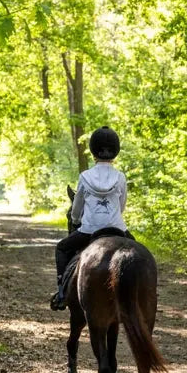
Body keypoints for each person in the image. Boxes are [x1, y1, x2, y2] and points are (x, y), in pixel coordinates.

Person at [50, 126, 131, 311]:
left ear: (94, 151)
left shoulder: (85, 176)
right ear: (115, 152)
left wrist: (77, 220)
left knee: (61, 248)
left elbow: (77, 209)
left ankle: (62, 293)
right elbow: (122, 205)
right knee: (142, 253)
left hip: (89, 231)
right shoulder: (120, 177)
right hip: (118, 229)